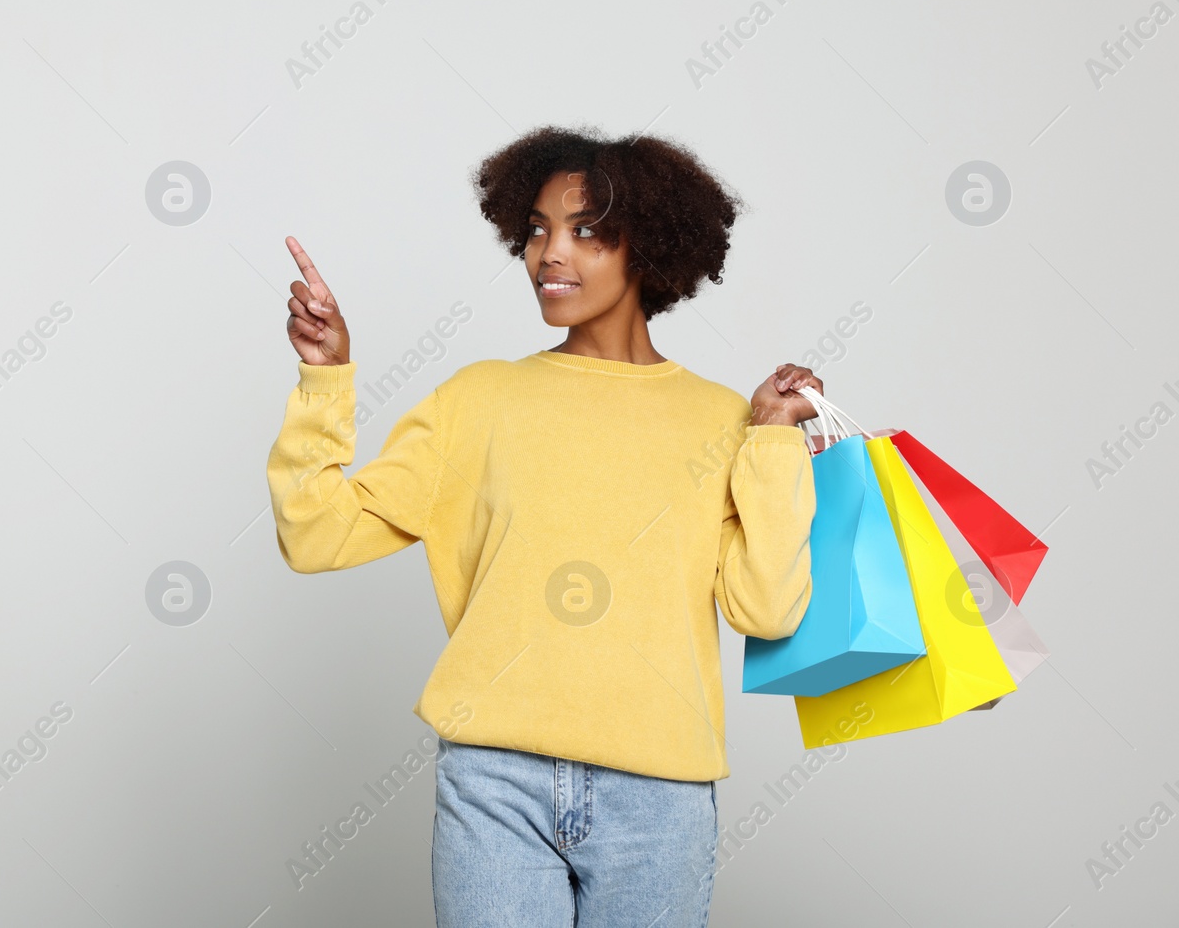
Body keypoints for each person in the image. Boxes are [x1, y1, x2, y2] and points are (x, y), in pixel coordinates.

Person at [265, 126, 823, 928]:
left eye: (585, 231)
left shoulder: (723, 421)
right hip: (495, 785)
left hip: (659, 800)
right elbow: (316, 534)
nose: (549, 254)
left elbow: (767, 610)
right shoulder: (479, 400)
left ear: (651, 247)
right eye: (536, 229)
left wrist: (771, 440)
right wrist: (324, 378)